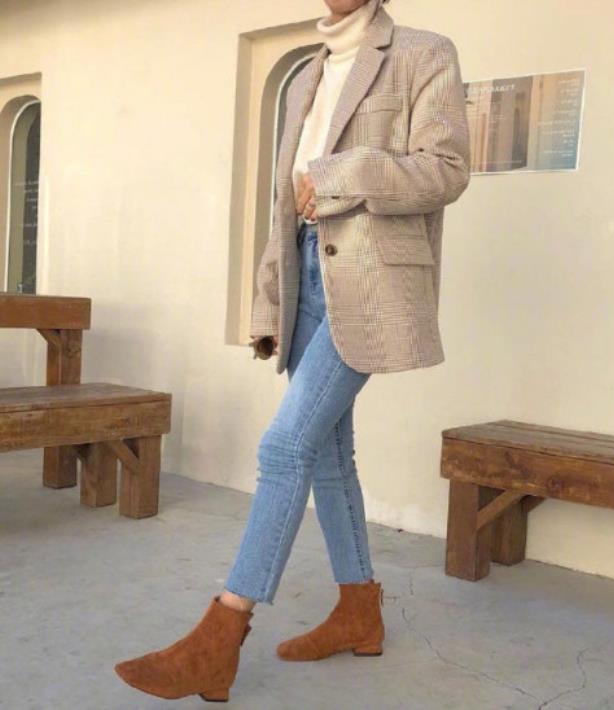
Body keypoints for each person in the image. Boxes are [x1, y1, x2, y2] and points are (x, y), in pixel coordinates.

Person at [114, 0, 470, 702]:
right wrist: (270, 300)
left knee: (285, 447)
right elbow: (284, 205)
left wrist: (340, 173)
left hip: (369, 283)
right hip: (305, 277)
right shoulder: (305, 74)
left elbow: (446, 170)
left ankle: (221, 635)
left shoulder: (424, 52)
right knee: (329, 453)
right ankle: (359, 614)